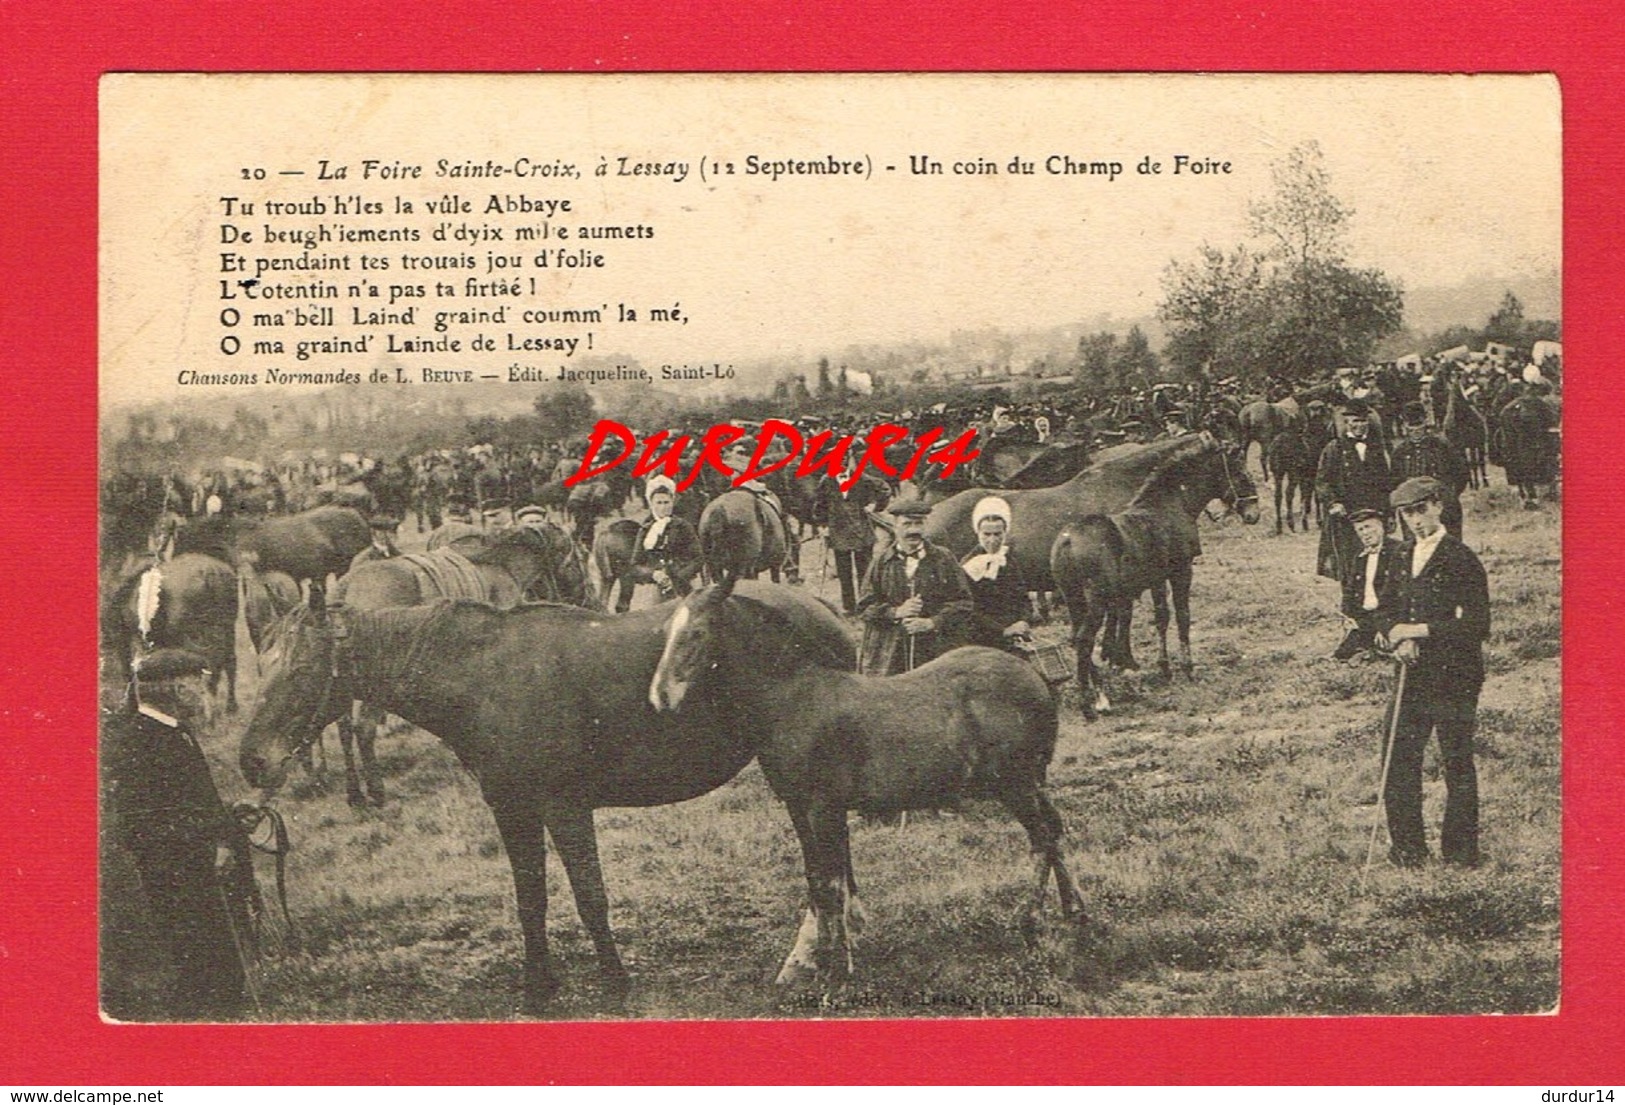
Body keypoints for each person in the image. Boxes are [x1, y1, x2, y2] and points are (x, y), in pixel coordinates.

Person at [101, 648, 253, 1019]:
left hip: (192, 854)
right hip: (174, 862)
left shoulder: (171, 730)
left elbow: (195, 799)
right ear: (177, 690)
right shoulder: (140, 740)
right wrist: (210, 842)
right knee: (192, 935)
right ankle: (202, 1014)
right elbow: (142, 820)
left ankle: (220, 1002)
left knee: (209, 934)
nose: (204, 692)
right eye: (198, 684)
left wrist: (225, 826)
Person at [1374, 476, 1491, 868]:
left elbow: (1476, 625)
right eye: (1407, 514)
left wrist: (1420, 631)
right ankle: (1408, 850)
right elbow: (1384, 608)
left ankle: (1460, 853)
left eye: (1421, 510)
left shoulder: (1461, 558)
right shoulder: (1399, 555)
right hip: (1411, 673)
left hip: (1454, 674)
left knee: (1455, 760)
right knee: (1398, 758)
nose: (1416, 520)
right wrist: (1394, 634)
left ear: (1438, 506)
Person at [856, 499, 974, 675]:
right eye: (906, 524)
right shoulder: (881, 562)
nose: (913, 530)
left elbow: (964, 602)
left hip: (935, 650)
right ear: (895, 527)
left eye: (918, 523)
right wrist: (896, 612)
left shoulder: (944, 558)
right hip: (891, 653)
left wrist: (932, 622)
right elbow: (864, 607)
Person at [1315, 397, 1395, 582]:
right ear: (1346, 422)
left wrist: (1389, 513)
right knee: (1348, 563)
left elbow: (1386, 483)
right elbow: (1322, 481)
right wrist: (1333, 503)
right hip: (1346, 515)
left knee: (1376, 560)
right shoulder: (1334, 449)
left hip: (1373, 513)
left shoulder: (1377, 448)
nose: (1360, 425)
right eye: (1355, 421)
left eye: (1363, 420)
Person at [813, 464, 890, 614]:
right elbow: (820, 504)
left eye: (843, 459)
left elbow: (884, 489)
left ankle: (865, 605)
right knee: (844, 572)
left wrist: (875, 506)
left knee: (865, 570)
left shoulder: (861, 477)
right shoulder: (827, 480)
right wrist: (823, 525)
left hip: (861, 530)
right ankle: (849, 607)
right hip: (838, 531)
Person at [960, 496, 1033, 652]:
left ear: (1005, 533)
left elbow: (1023, 598)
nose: (992, 540)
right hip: (982, 637)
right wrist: (1002, 631)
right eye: (986, 534)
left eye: (997, 534)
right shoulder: (968, 566)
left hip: (1014, 633)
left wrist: (1023, 621)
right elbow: (968, 610)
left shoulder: (1008, 560)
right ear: (977, 533)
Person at [1389, 401, 1467, 538]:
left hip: (1441, 507)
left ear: (1425, 422)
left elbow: (1461, 473)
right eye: (1411, 426)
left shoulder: (1441, 446)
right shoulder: (1399, 453)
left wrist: (1448, 496)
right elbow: (1395, 482)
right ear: (1404, 425)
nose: (1415, 430)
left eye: (1418, 425)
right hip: (1413, 510)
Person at [1333, 507, 1401, 660]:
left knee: (1386, 648)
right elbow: (1350, 590)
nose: (1364, 533)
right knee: (1342, 655)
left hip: (1389, 617)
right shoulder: (1360, 557)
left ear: (1381, 527)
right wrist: (1348, 616)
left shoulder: (1398, 551)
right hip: (1366, 618)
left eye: (1368, 527)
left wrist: (1385, 627)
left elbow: (1401, 595)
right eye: (1360, 530)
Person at [627, 476, 702, 605]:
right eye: (659, 503)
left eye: (666, 502)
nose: (663, 507)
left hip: (683, 585)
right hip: (655, 586)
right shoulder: (646, 529)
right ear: (652, 505)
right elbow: (635, 565)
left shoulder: (683, 526)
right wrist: (653, 574)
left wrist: (679, 576)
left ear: (672, 502)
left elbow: (698, 558)